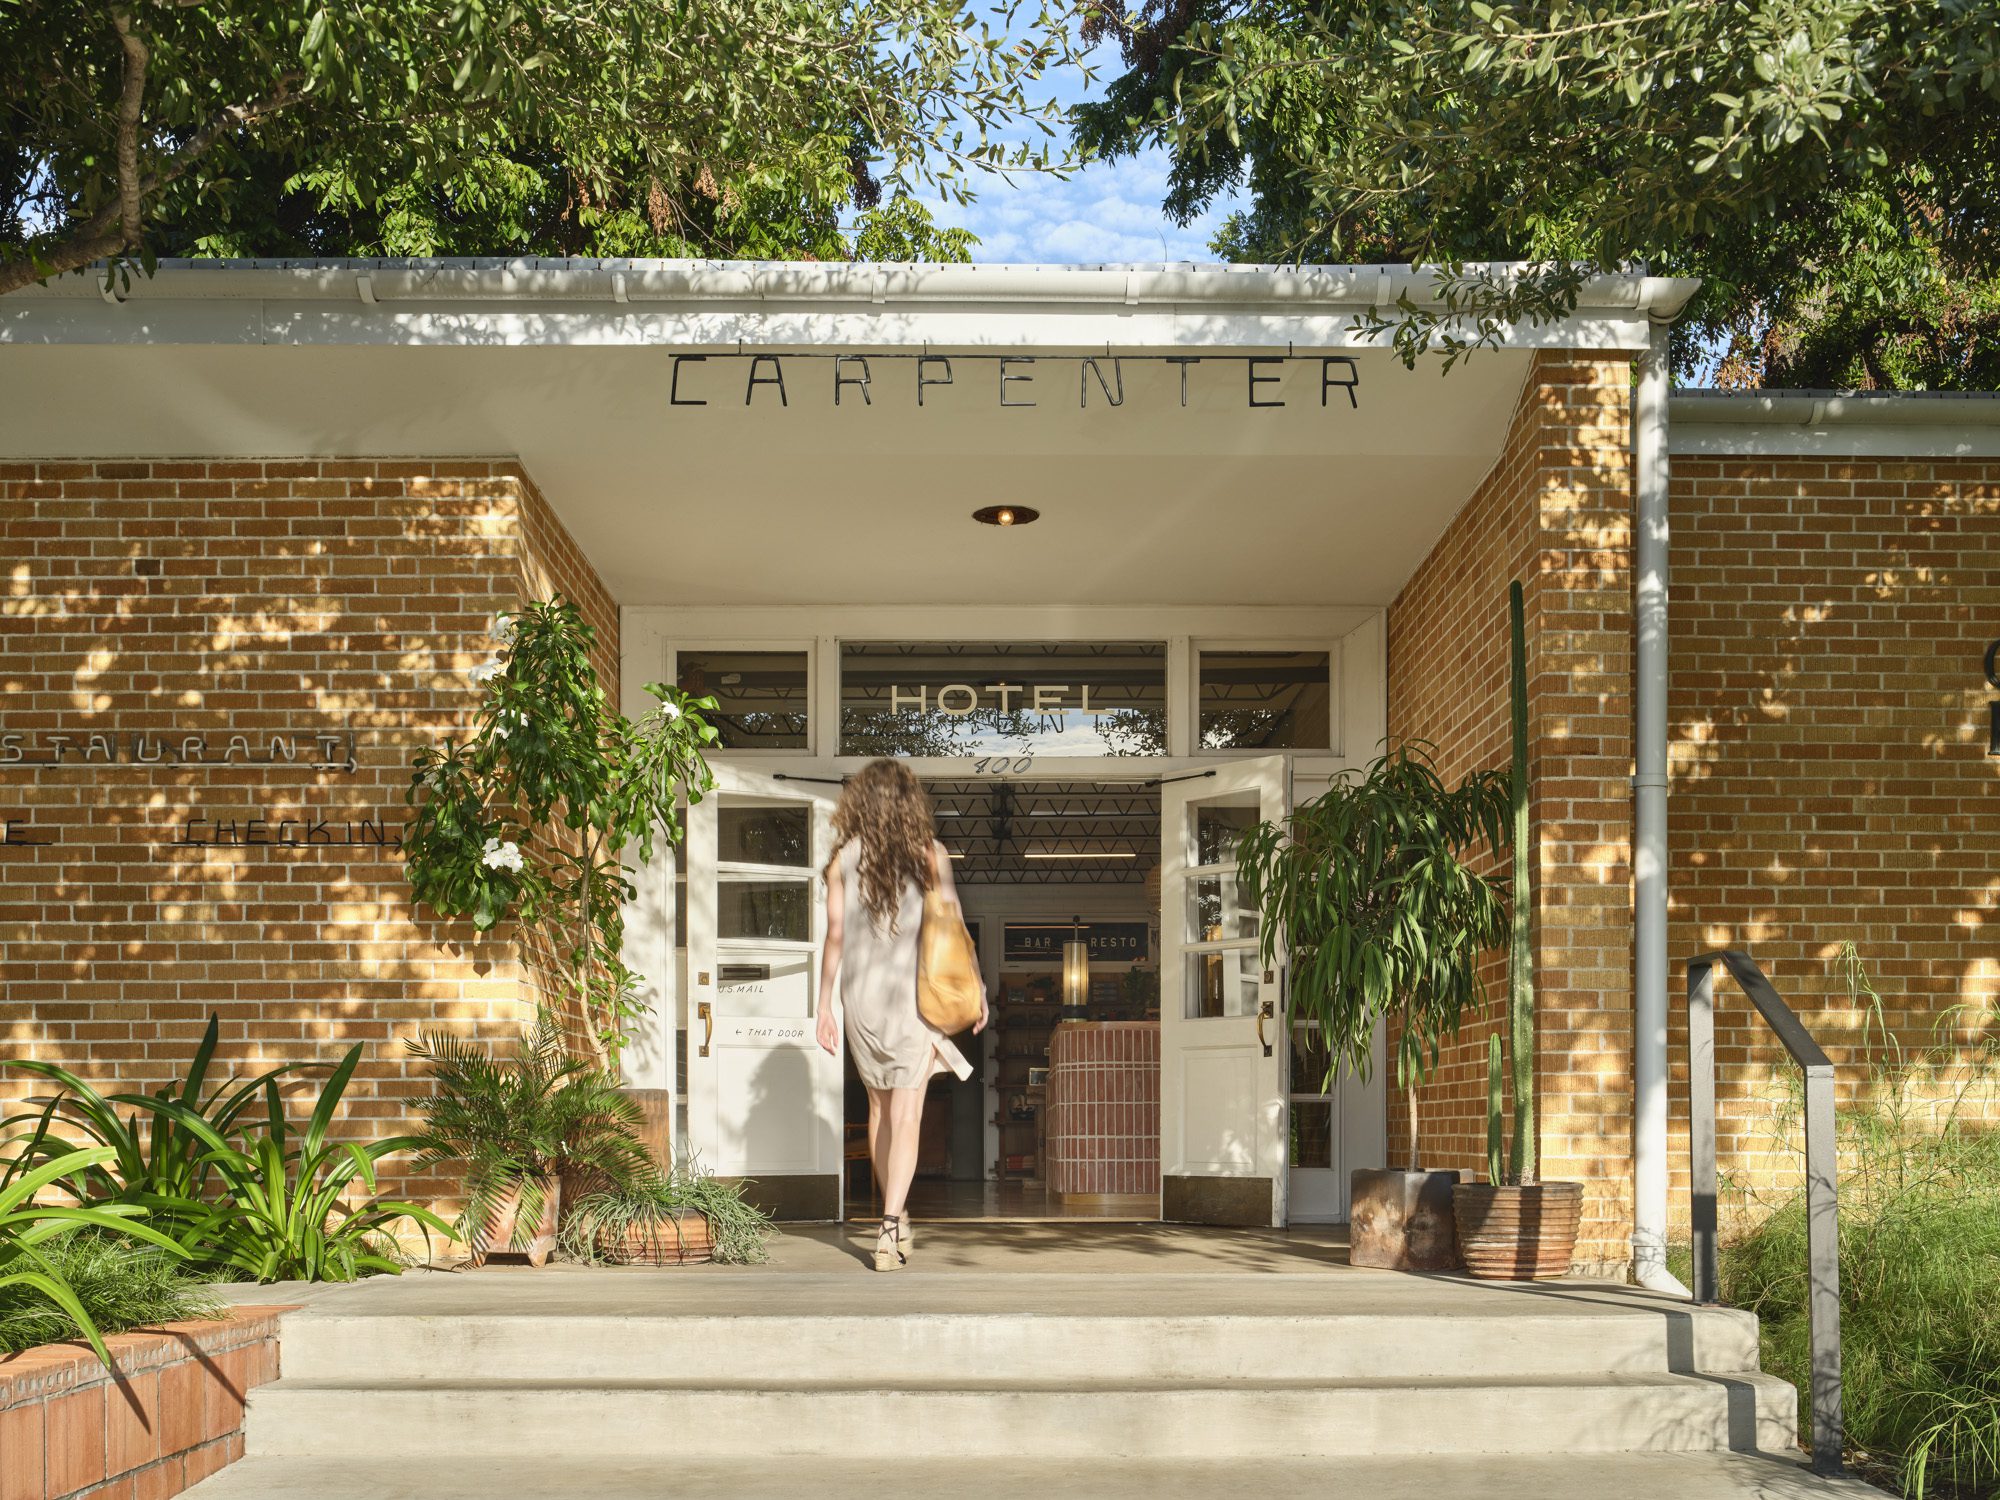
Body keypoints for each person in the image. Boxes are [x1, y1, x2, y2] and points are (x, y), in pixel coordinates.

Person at [814, 759, 986, 1271]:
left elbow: (835, 936)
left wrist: (823, 1004)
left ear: (860, 803)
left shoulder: (842, 859)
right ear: (911, 804)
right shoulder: (930, 854)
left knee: (879, 1111)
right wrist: (977, 986)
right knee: (907, 1113)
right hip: (913, 999)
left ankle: (896, 1217)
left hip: (862, 1001)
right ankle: (890, 1228)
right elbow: (954, 926)